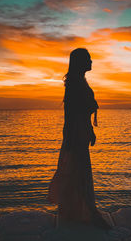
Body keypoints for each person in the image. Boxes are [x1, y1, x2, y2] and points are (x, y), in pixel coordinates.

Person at [47, 48, 111, 230]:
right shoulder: (75, 84)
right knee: (79, 174)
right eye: (88, 59)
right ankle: (90, 213)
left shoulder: (81, 81)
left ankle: (77, 211)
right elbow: (71, 114)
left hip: (81, 132)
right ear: (80, 62)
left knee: (79, 173)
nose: (91, 61)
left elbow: (83, 114)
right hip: (75, 134)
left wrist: (90, 131)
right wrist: (69, 138)